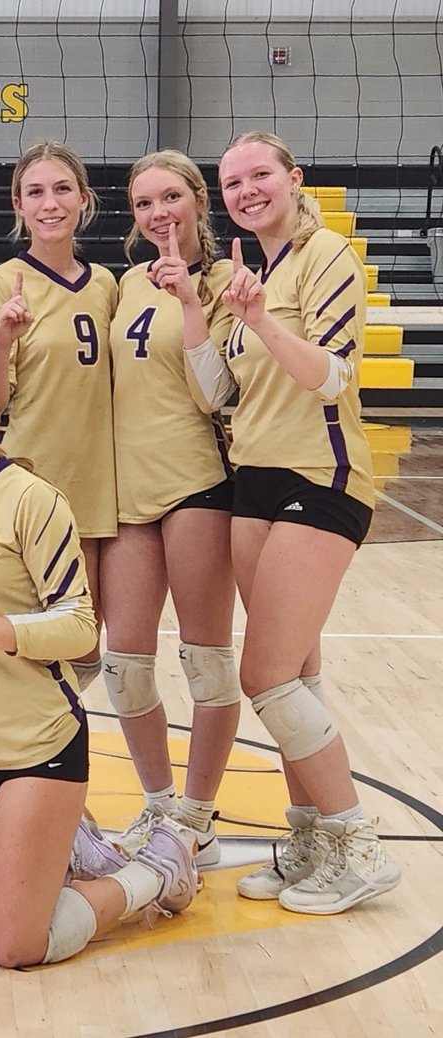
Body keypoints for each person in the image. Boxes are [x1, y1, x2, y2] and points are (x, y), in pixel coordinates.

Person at [0, 345, 199, 968]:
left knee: (14, 946)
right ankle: (66, 852)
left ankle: (155, 869)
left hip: (36, 742)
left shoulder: (31, 499)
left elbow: (80, 627)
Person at [182, 131, 400, 914]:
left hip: (322, 475)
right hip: (256, 479)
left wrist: (264, 320)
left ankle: (359, 843)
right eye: (232, 182)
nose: (245, 191)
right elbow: (217, 393)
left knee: (265, 675)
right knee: (296, 677)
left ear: (294, 177)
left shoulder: (325, 254)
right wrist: (197, 309)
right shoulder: (252, 275)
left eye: (259, 175)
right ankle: (311, 840)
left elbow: (332, 375)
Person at [99, 151, 241, 867]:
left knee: (206, 662)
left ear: (198, 202)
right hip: (129, 492)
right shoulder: (126, 284)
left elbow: (217, 394)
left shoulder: (224, 283)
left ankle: (198, 819)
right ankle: (158, 807)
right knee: (123, 664)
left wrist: (189, 301)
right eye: (144, 203)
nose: (159, 213)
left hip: (196, 485)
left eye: (171, 197)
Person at [0, 141, 117, 694]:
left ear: (83, 198)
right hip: (32, 478)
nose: (50, 203)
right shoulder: (1, 282)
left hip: (99, 485)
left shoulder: (106, 284)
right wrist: (0, 341)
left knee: (84, 645)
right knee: (28, 640)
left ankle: (60, 736)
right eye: (35, 192)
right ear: (18, 204)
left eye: (62, 189)